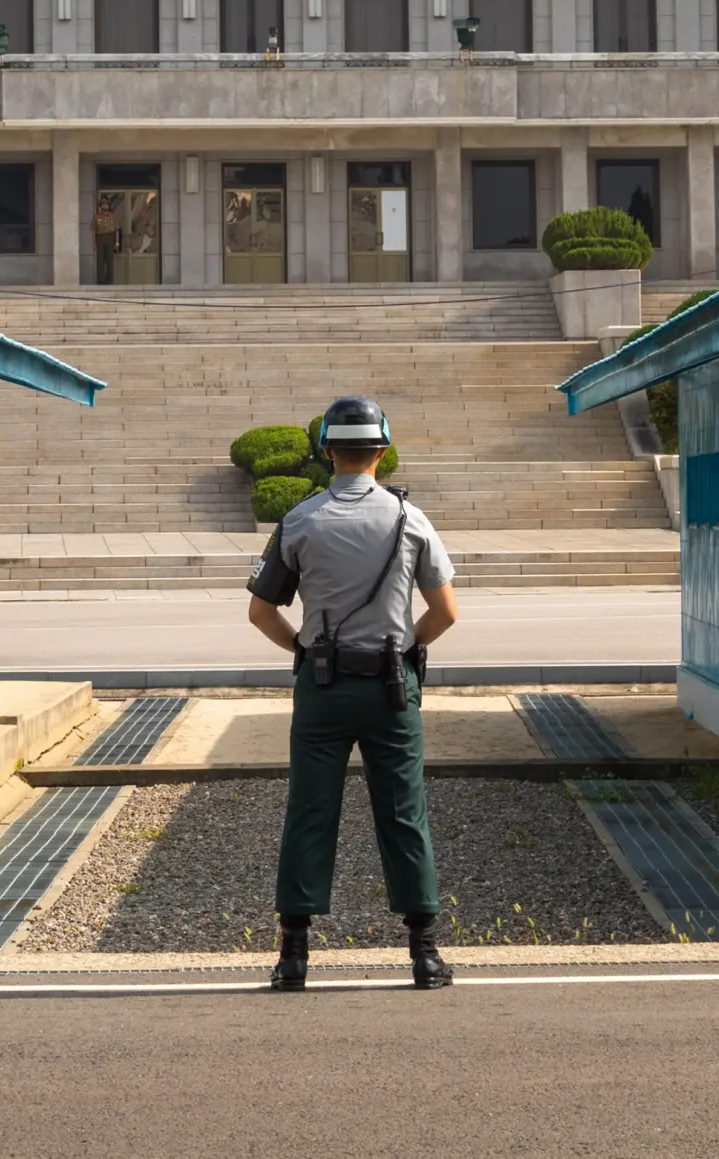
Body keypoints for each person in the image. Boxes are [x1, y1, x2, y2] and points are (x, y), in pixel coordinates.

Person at [245, 395, 461, 990]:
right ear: (383, 450)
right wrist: (406, 648)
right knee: (403, 813)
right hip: (392, 688)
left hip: (322, 686)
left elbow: (262, 612)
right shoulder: (409, 520)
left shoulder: (301, 520)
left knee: (310, 813)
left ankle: (293, 957)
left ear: (325, 450)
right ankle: (424, 953)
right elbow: (444, 612)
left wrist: (303, 649)